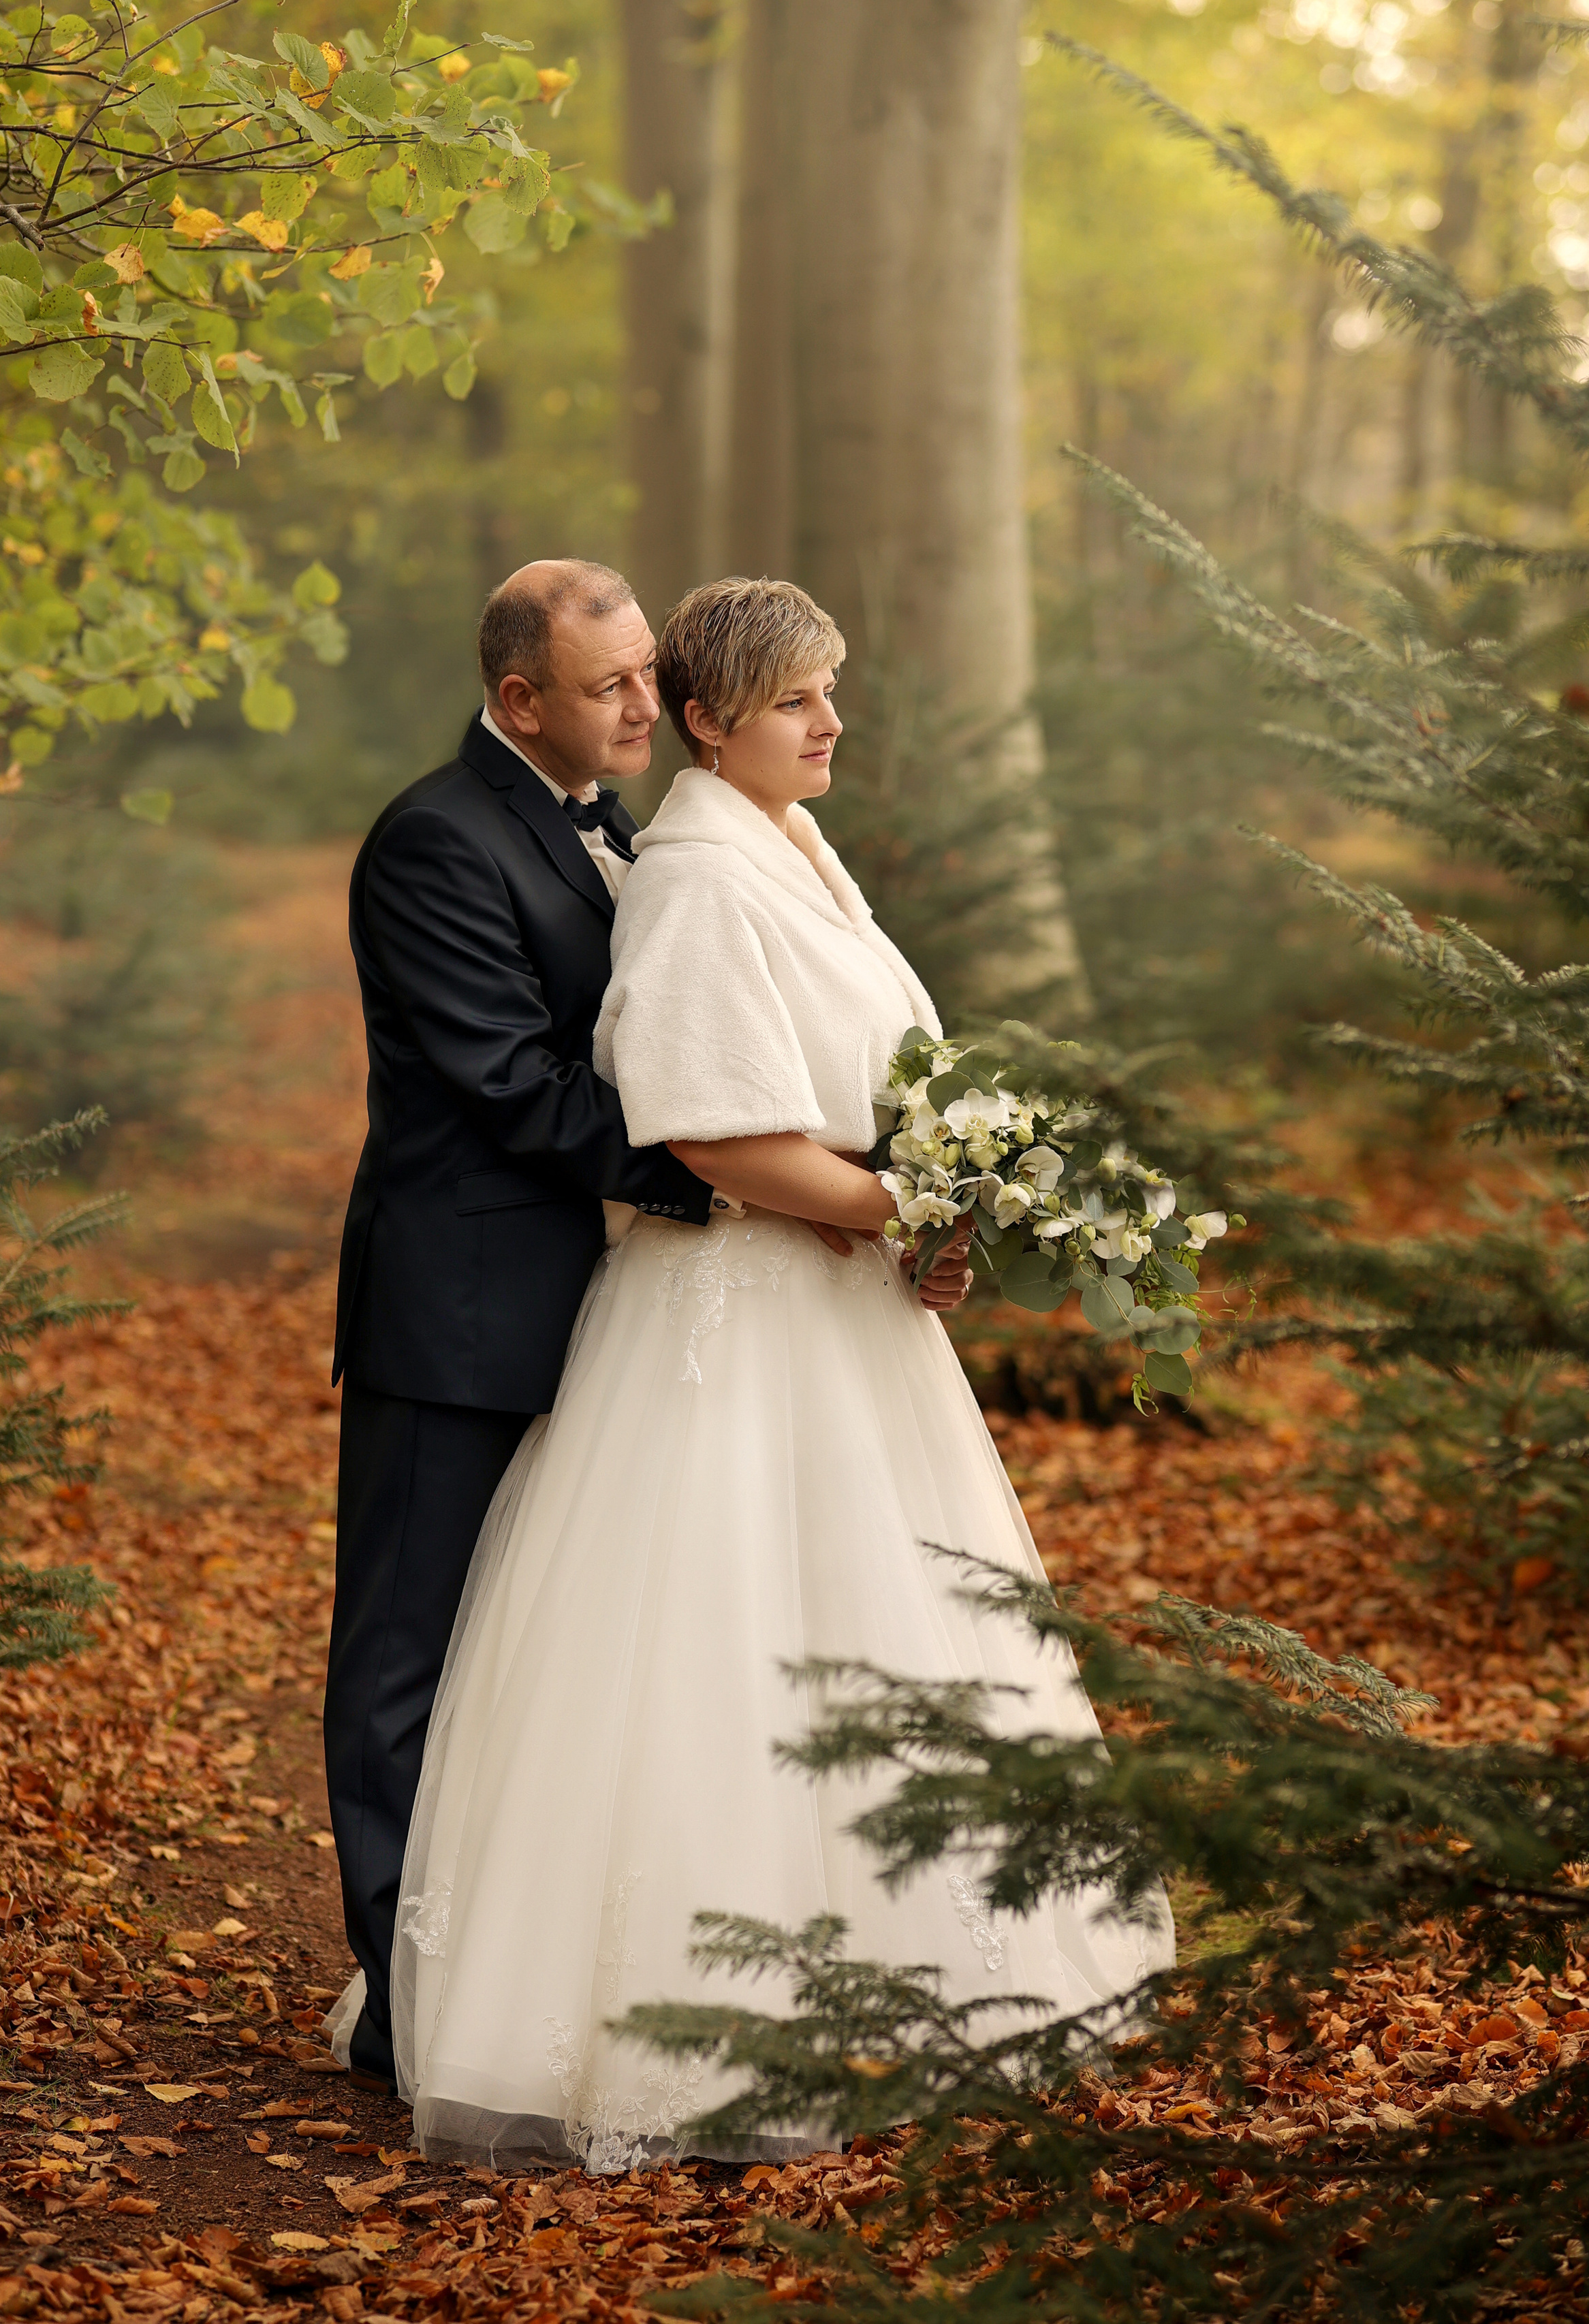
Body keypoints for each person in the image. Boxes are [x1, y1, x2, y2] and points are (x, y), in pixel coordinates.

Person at [348, 575, 1169, 2169]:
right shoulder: (624, 868)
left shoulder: (747, 845)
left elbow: (820, 1083)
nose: (828, 721)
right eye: (795, 699)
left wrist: (925, 1209)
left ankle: (892, 1966)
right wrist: (876, 1204)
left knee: (841, 1628)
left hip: (810, 1304)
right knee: (612, 1653)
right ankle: (480, 2004)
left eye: (826, 690)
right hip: (610, 1306)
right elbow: (659, 1117)